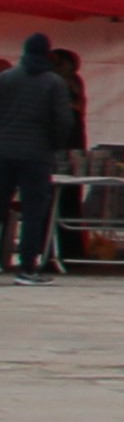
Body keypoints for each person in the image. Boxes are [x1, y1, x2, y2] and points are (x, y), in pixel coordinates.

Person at [0, 33, 71, 281]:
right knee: (33, 212)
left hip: (3, 152)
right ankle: (27, 268)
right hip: (36, 155)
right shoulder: (54, 83)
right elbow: (63, 122)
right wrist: (54, 145)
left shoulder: (6, 78)